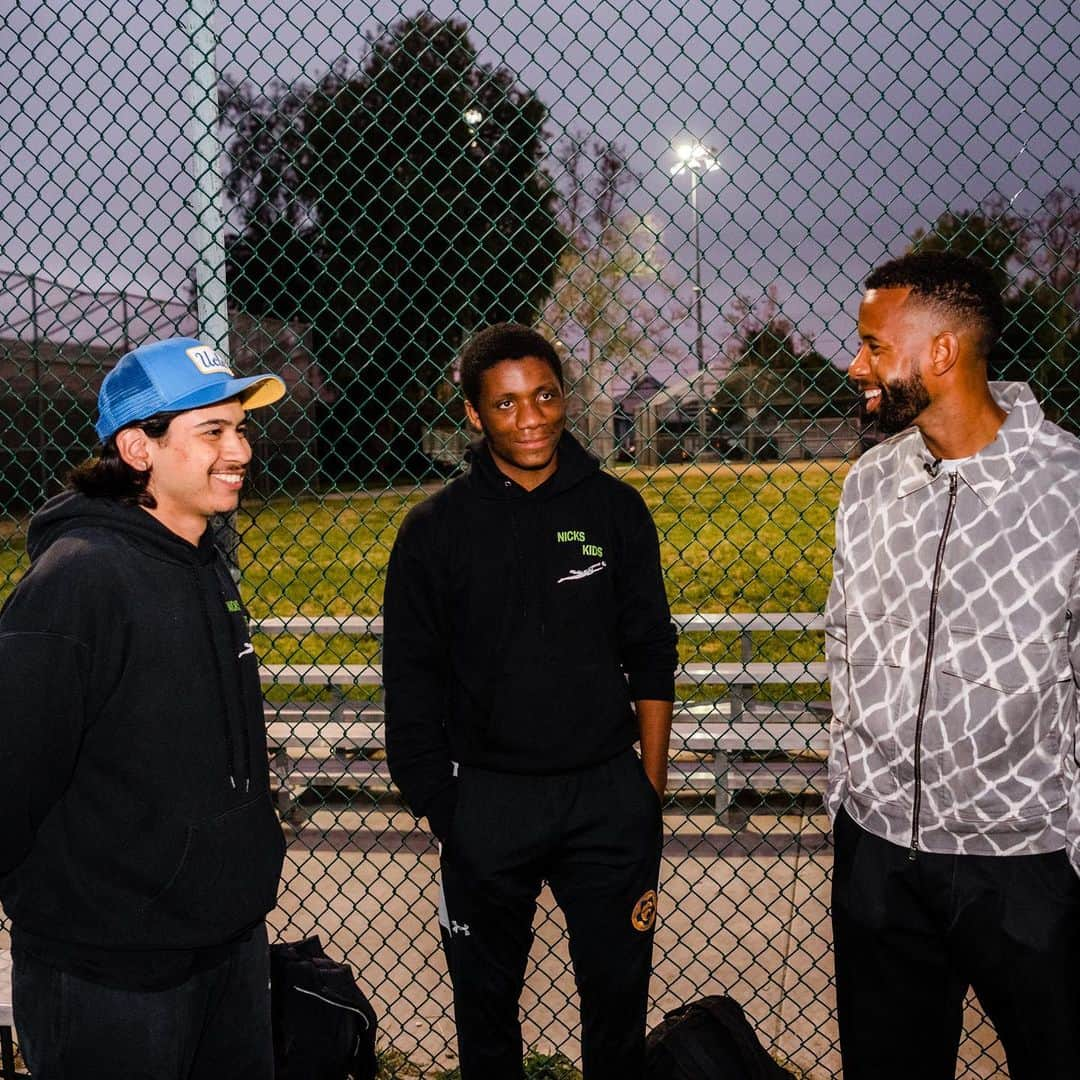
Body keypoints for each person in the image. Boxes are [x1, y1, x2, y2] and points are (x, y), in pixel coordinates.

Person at [384, 323, 677, 1079]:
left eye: (544, 395)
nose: (531, 417)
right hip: (487, 803)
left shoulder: (616, 510)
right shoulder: (433, 530)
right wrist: (444, 804)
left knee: (616, 1010)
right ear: (475, 417)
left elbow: (651, 652)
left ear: (564, 398)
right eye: (506, 404)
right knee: (485, 1016)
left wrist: (646, 789)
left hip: (606, 798)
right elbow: (410, 680)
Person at [0, 337, 288, 1079]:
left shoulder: (202, 564)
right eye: (213, 432)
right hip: (110, 973)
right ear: (138, 447)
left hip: (224, 944)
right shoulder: (79, 581)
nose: (241, 451)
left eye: (242, 428)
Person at [826, 250, 1080, 1079]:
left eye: (873, 344)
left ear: (941, 353)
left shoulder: (1067, 490)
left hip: (1024, 862)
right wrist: (848, 794)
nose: (855, 363)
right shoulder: (868, 484)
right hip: (877, 854)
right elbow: (841, 643)